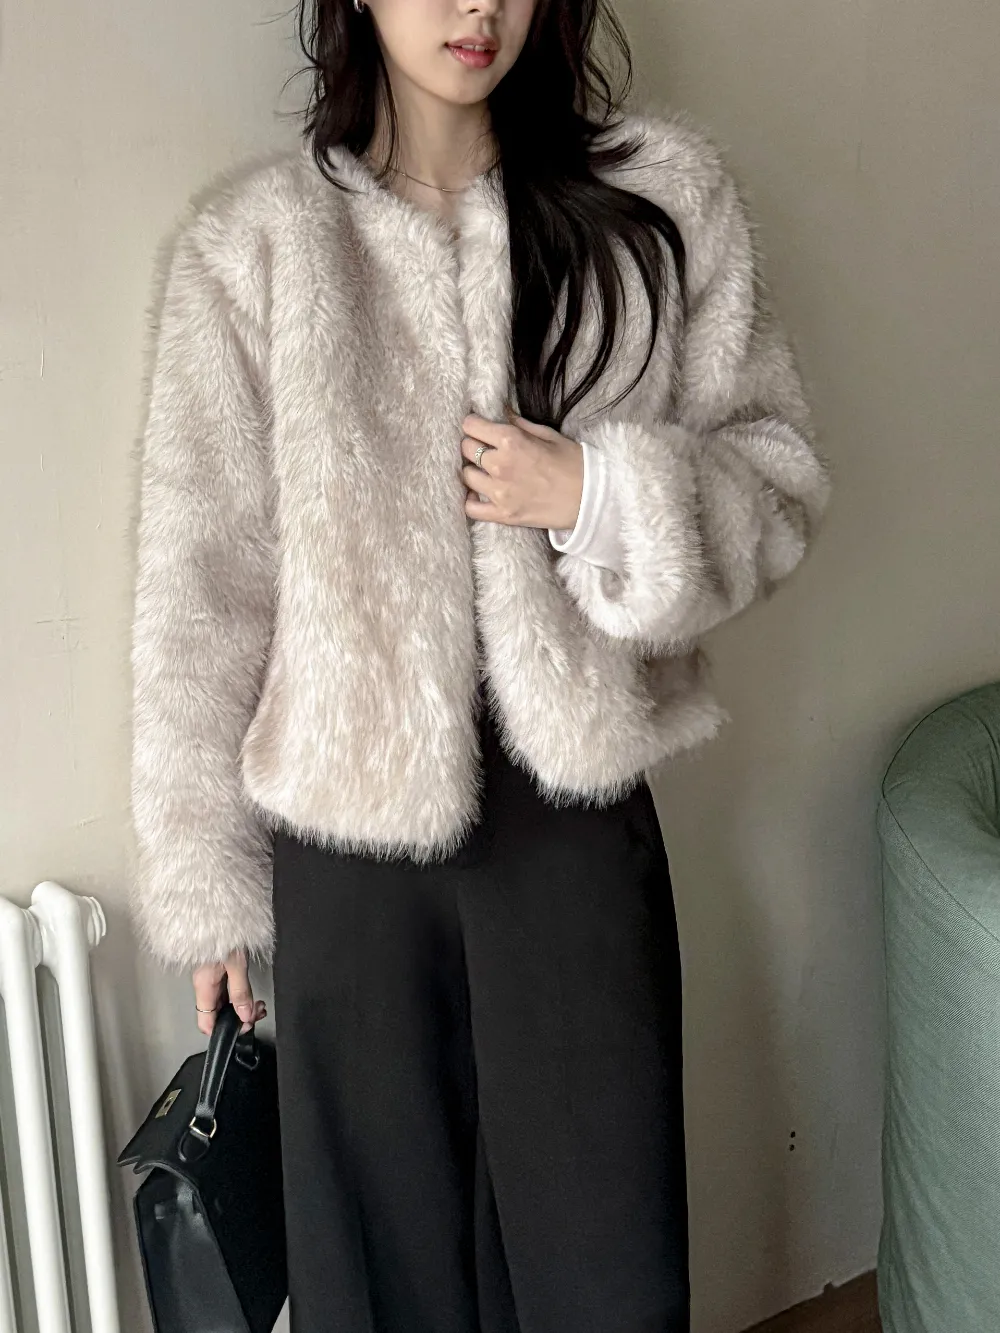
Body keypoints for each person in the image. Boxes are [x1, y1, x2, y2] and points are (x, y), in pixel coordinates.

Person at [127, 1, 831, 1329]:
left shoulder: (658, 204)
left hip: (572, 825)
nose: (477, 7)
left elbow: (778, 487)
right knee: (380, 1273)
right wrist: (207, 886)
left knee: (603, 1257)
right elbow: (202, 596)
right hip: (346, 851)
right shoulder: (257, 249)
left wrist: (598, 495)